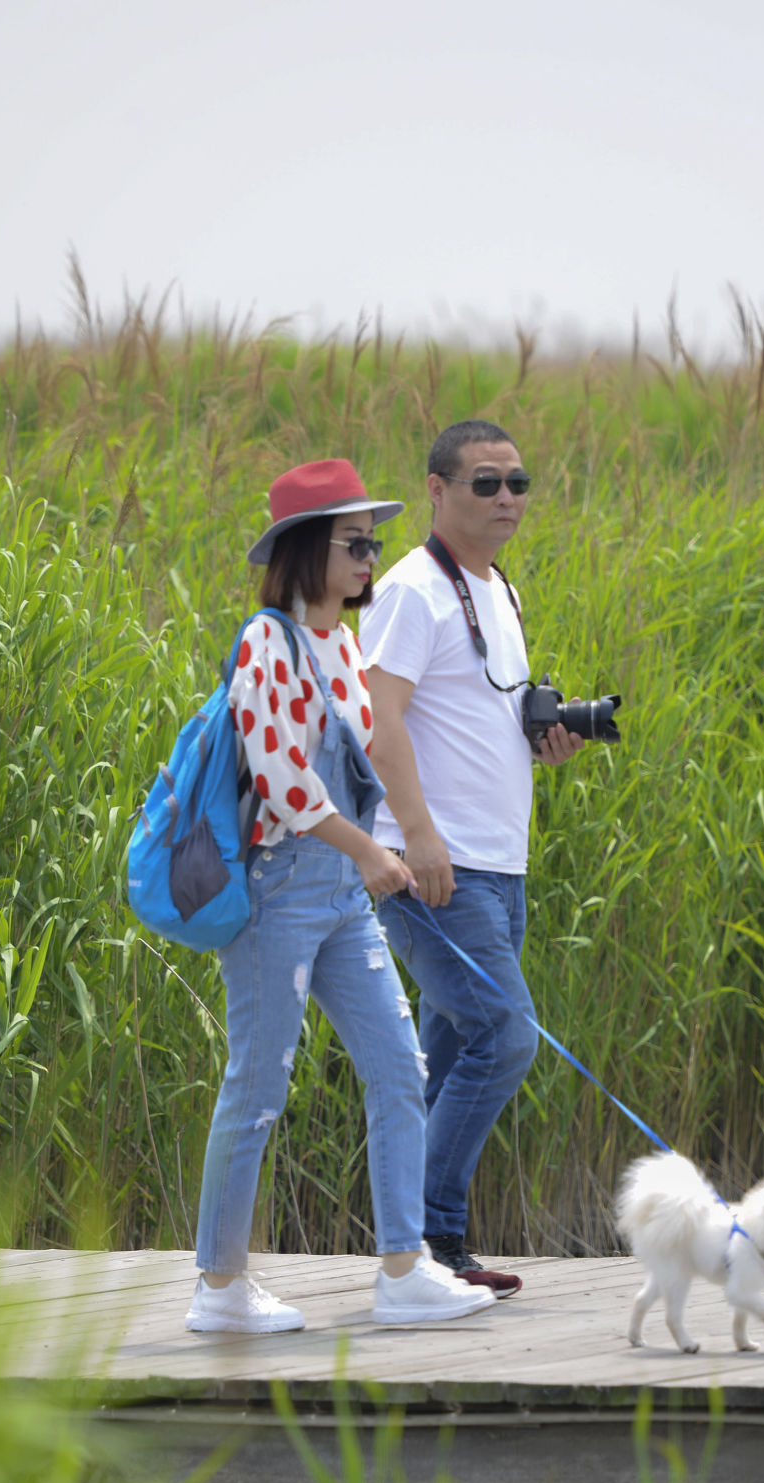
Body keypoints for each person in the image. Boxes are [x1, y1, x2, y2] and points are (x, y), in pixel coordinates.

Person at [186, 458, 496, 1334]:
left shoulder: (344, 647)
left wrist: (388, 845)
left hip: (341, 900)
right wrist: (370, 851)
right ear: (303, 551)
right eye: (353, 544)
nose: (369, 560)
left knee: (399, 1067)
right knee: (257, 1086)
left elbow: (369, 758)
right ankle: (218, 1287)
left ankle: (404, 1268)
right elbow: (283, 781)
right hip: (278, 894)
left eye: (373, 545)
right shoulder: (267, 643)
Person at [361, 421, 588, 1296]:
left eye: (517, 483)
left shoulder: (499, 590)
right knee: (503, 1033)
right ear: (436, 489)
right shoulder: (410, 591)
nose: (505, 498)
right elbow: (378, 722)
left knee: (454, 1052)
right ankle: (431, 1244)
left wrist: (545, 741)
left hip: (499, 866)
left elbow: (468, 720)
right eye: (484, 482)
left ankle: (415, 1252)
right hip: (436, 867)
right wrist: (419, 836)